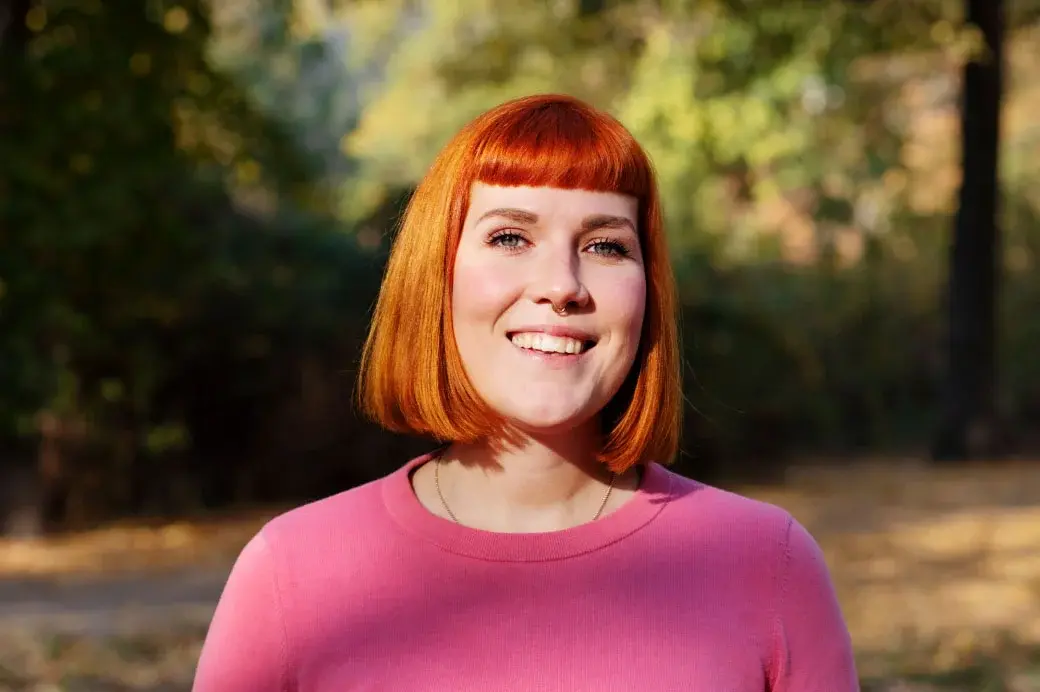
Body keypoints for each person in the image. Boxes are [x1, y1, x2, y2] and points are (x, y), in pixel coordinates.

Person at [191, 94, 859, 691]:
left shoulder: (768, 564)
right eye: (511, 236)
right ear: (437, 277)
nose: (561, 284)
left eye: (605, 246)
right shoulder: (290, 573)